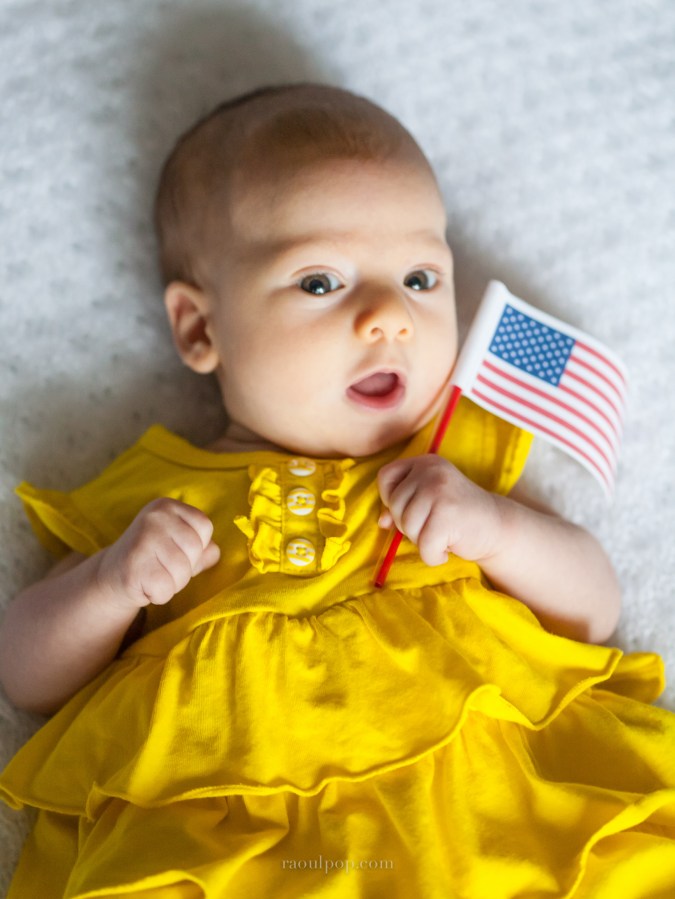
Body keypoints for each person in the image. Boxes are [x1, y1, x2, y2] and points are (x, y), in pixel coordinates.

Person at [0, 82, 674, 899]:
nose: (389, 316)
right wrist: (111, 583)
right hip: (252, 844)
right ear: (200, 329)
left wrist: (496, 528)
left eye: (422, 278)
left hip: (495, 813)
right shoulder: (156, 497)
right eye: (321, 282)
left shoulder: (453, 458)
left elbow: (591, 611)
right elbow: (24, 671)